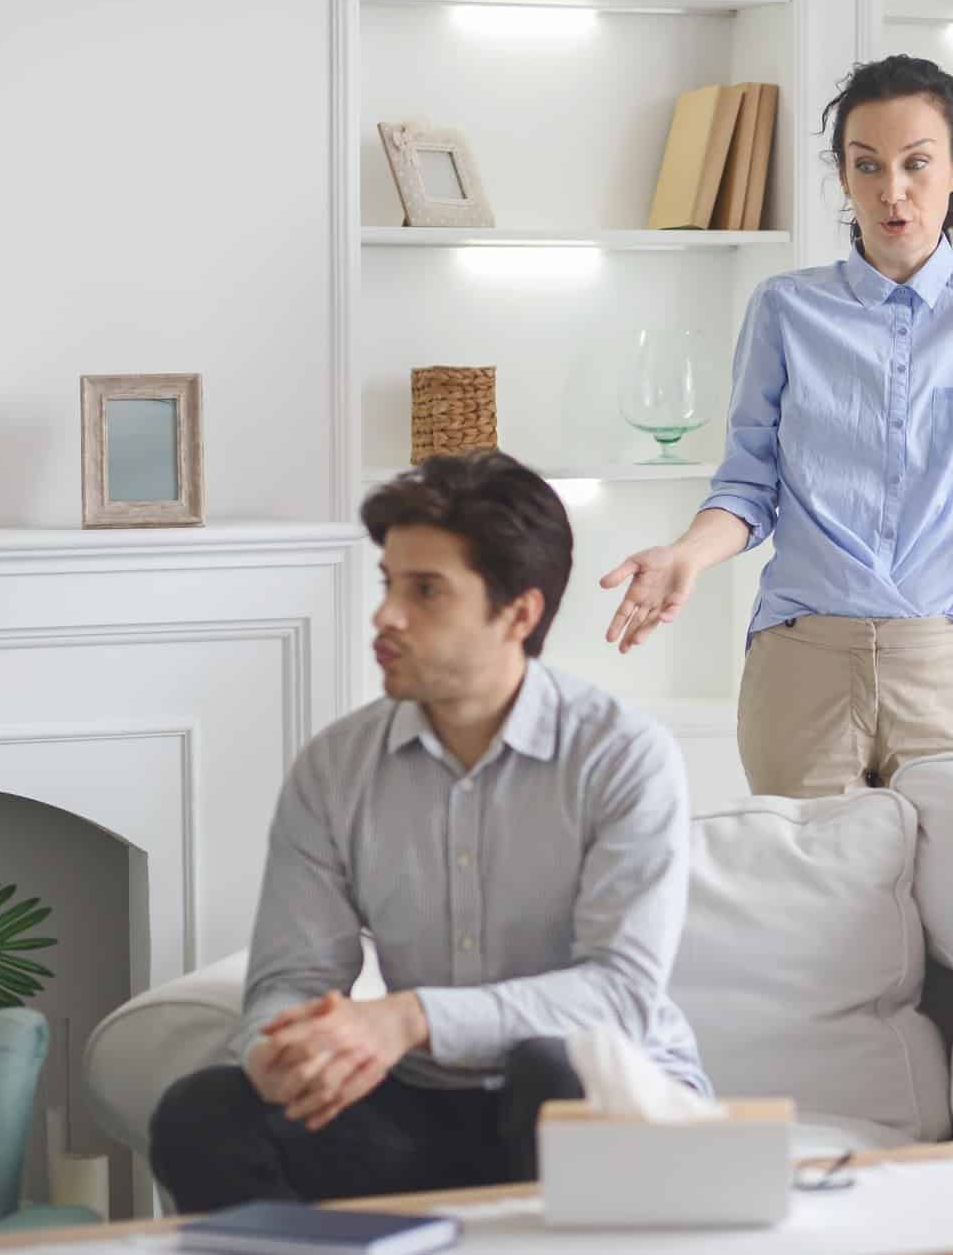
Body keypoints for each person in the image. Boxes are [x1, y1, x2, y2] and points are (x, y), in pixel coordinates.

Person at [149, 450, 708, 1210]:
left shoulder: (623, 758)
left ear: (519, 612)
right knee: (203, 1112)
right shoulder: (335, 768)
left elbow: (619, 996)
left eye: (426, 591)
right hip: (421, 1115)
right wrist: (281, 1049)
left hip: (597, 1099)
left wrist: (408, 1016)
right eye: (388, 584)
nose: (385, 615)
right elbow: (292, 979)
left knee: (554, 1068)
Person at [599, 54, 953, 798]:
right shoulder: (784, 308)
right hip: (802, 661)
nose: (893, 192)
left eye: (917, 164)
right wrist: (688, 553)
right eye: (867, 165)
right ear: (843, 176)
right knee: (806, 904)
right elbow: (749, 487)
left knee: (951, 898)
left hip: (947, 658)